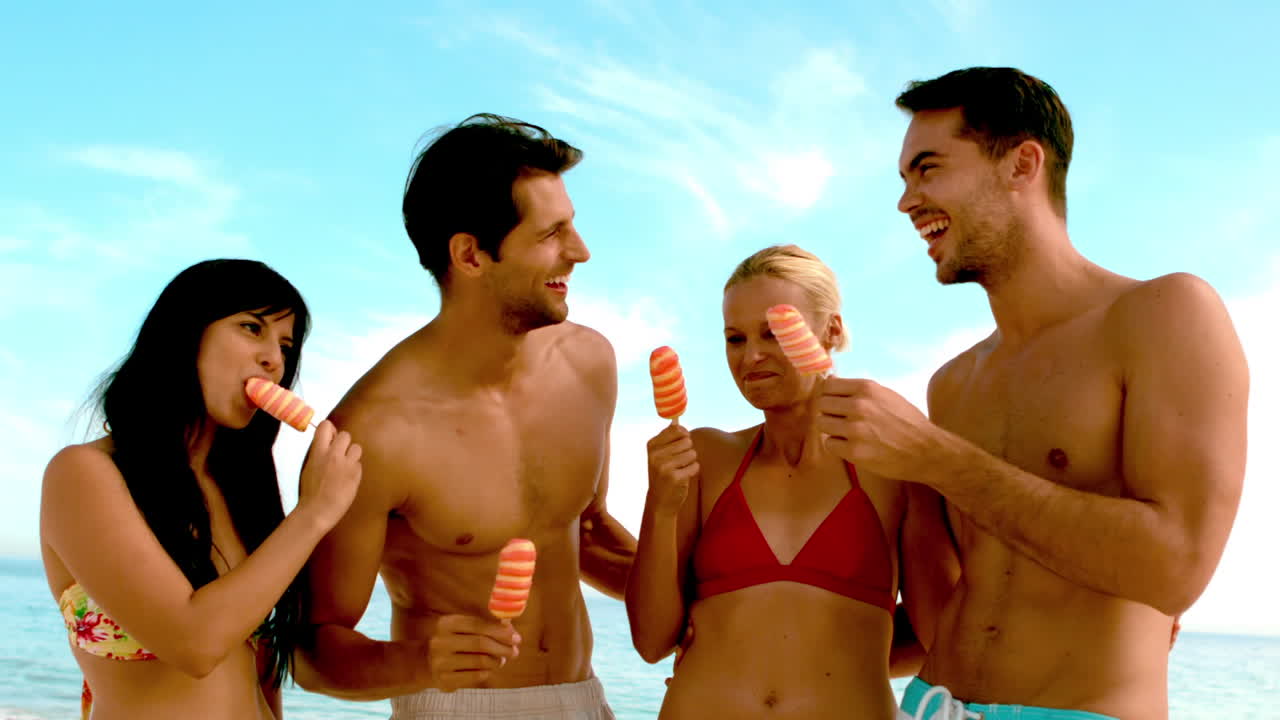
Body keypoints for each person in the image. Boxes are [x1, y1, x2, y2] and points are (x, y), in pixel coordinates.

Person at [815, 67, 1248, 719]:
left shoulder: (1163, 313)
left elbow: (1176, 567)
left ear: (1021, 164)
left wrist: (936, 460)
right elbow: (952, 603)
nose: (907, 202)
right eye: (903, 180)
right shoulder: (953, 383)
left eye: (928, 169)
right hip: (928, 705)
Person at [292, 114, 636, 719]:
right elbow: (314, 652)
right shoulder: (374, 432)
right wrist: (420, 663)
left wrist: (718, 603)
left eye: (573, 227)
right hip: (459, 708)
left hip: (586, 699)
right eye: (552, 234)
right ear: (471, 255)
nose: (580, 252)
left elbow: (584, 532)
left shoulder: (590, 363)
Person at [627, 244, 960, 720]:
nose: (752, 356)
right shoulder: (702, 457)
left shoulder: (895, 468)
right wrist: (661, 506)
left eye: (773, 332)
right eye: (735, 339)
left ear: (832, 331)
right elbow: (651, 641)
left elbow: (946, 640)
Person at [40, 259, 363, 720]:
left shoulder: (244, 492)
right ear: (184, 333)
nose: (275, 359)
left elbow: (263, 679)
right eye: (252, 328)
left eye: (286, 345)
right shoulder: (84, 474)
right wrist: (315, 512)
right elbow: (194, 642)